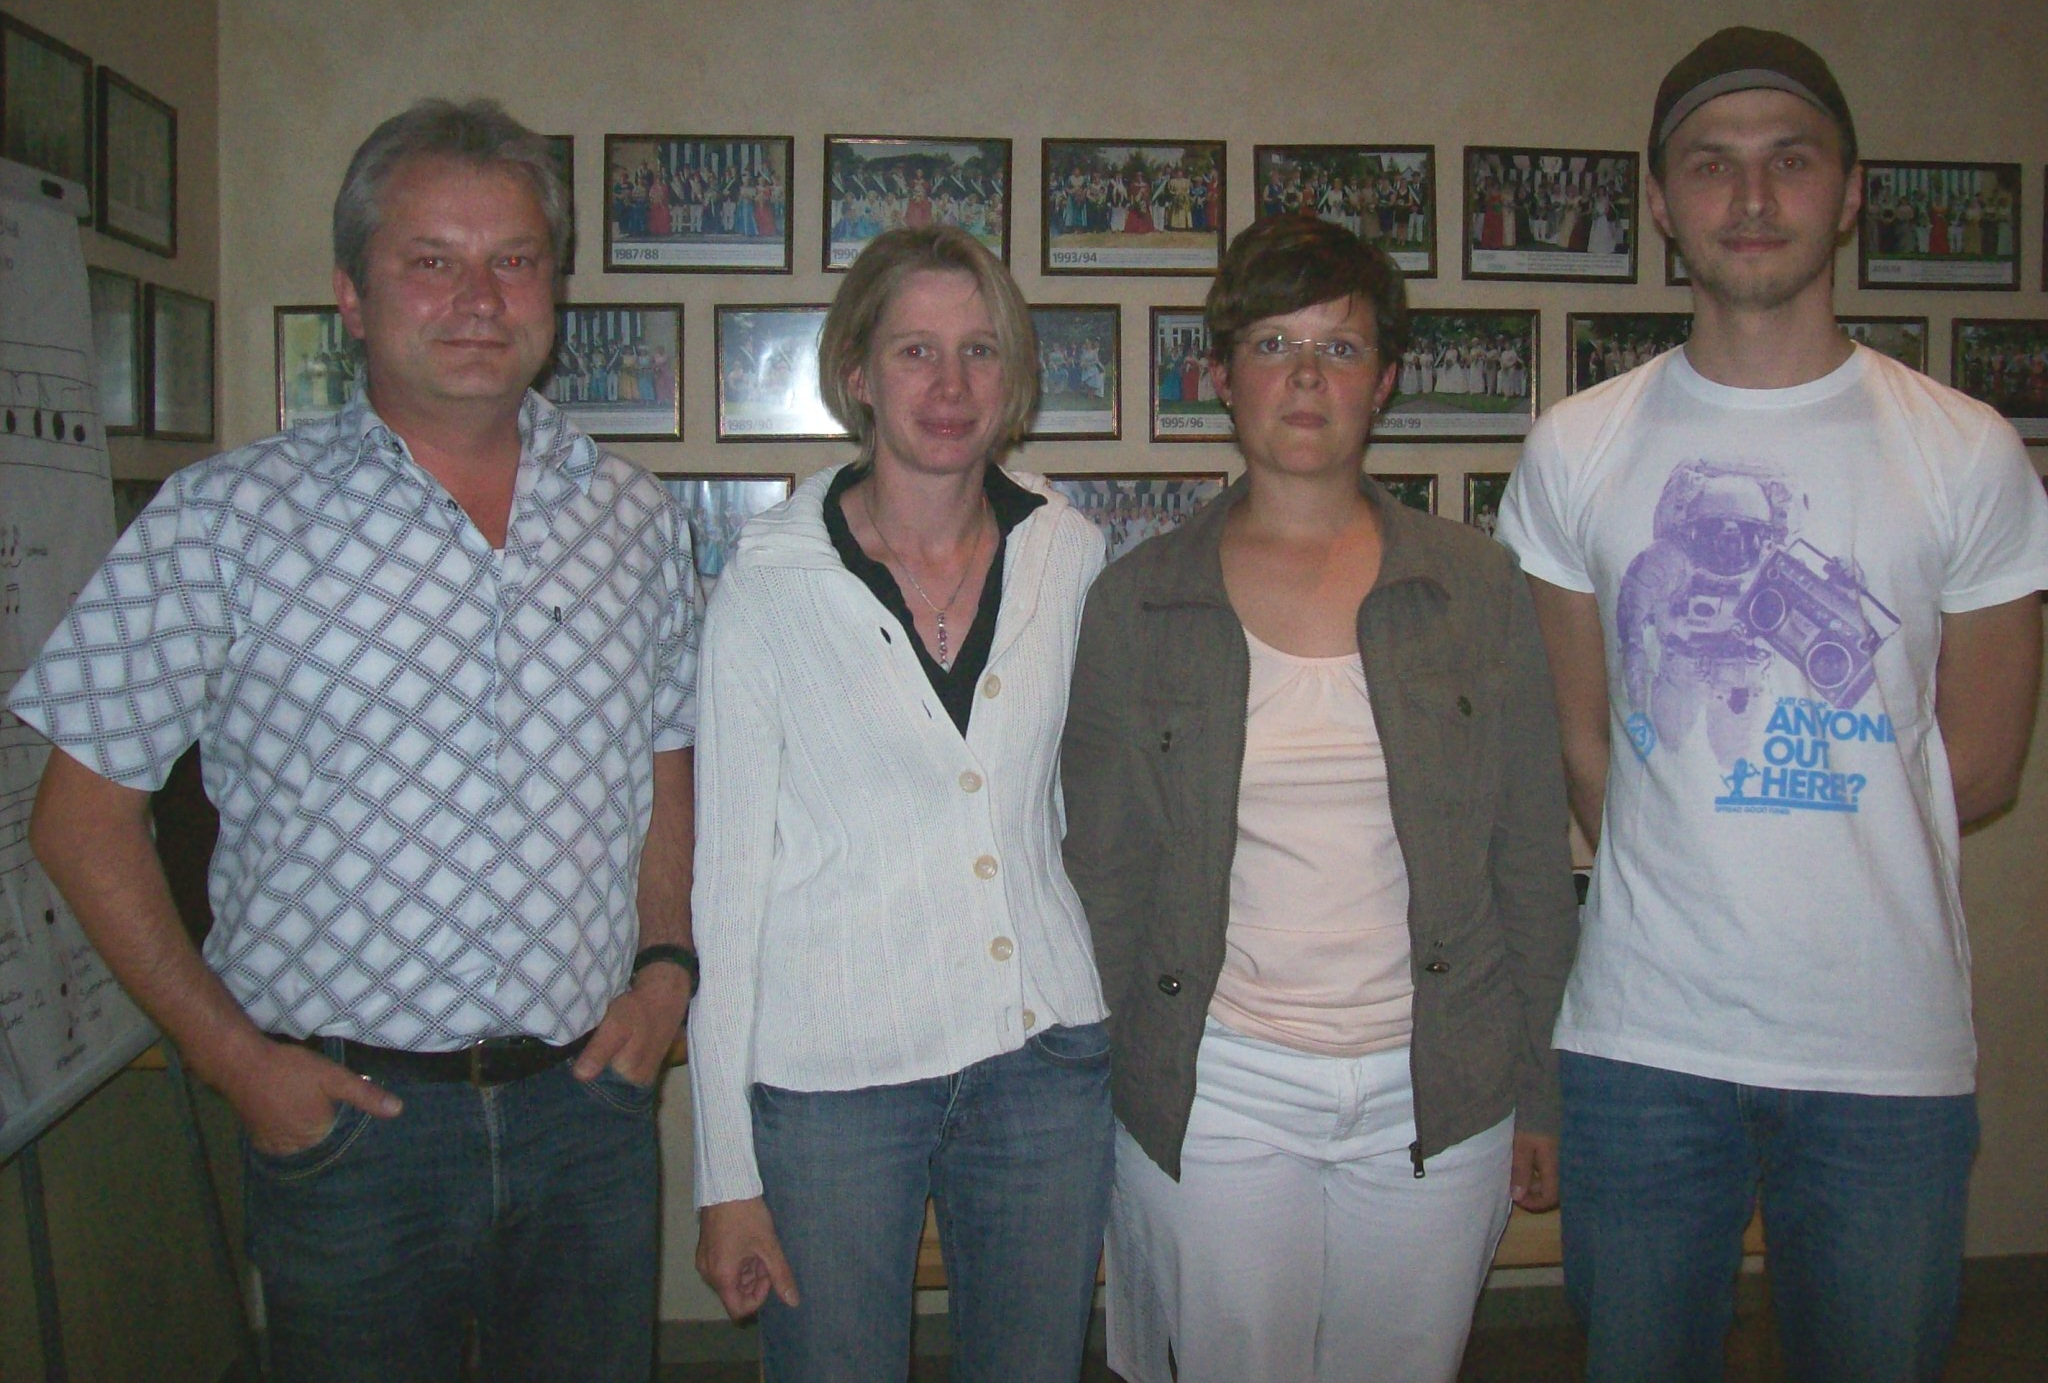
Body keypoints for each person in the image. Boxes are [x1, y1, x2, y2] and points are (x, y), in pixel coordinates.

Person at [10, 99, 701, 1383]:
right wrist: (233, 1063)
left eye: (513, 259)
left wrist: (665, 969)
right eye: (431, 260)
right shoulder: (223, 522)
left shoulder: (633, 518)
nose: (478, 297)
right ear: (351, 294)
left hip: (587, 1116)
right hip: (345, 1135)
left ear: (554, 288)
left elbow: (664, 762)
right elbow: (77, 820)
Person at [1497, 27, 2048, 1383]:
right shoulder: (1577, 446)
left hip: (1882, 1047)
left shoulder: (1964, 449)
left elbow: (1980, 764)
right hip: (1642, 1039)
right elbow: (1581, 740)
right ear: (1661, 202)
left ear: (1850, 194)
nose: (1751, 198)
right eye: (1711, 165)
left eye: (1789, 162)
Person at [1062, 214, 1580, 1383]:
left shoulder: (1474, 586)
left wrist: (1541, 1091)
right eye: (1271, 344)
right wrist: (1100, 1092)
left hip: (1437, 1086)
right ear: (1220, 376)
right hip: (1221, 1085)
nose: (1304, 377)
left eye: (1338, 348)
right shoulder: (1137, 603)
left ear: (1382, 381)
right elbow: (1102, 881)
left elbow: (1528, 864)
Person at [688, 224, 1113, 1383]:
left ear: (1012, 376)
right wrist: (724, 1173)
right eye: (914, 351)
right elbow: (725, 885)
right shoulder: (770, 582)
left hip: (1041, 1057)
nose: (949, 384)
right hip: (833, 1079)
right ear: (857, 375)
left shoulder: (1068, 553)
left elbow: (1089, 812)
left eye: (979, 350)